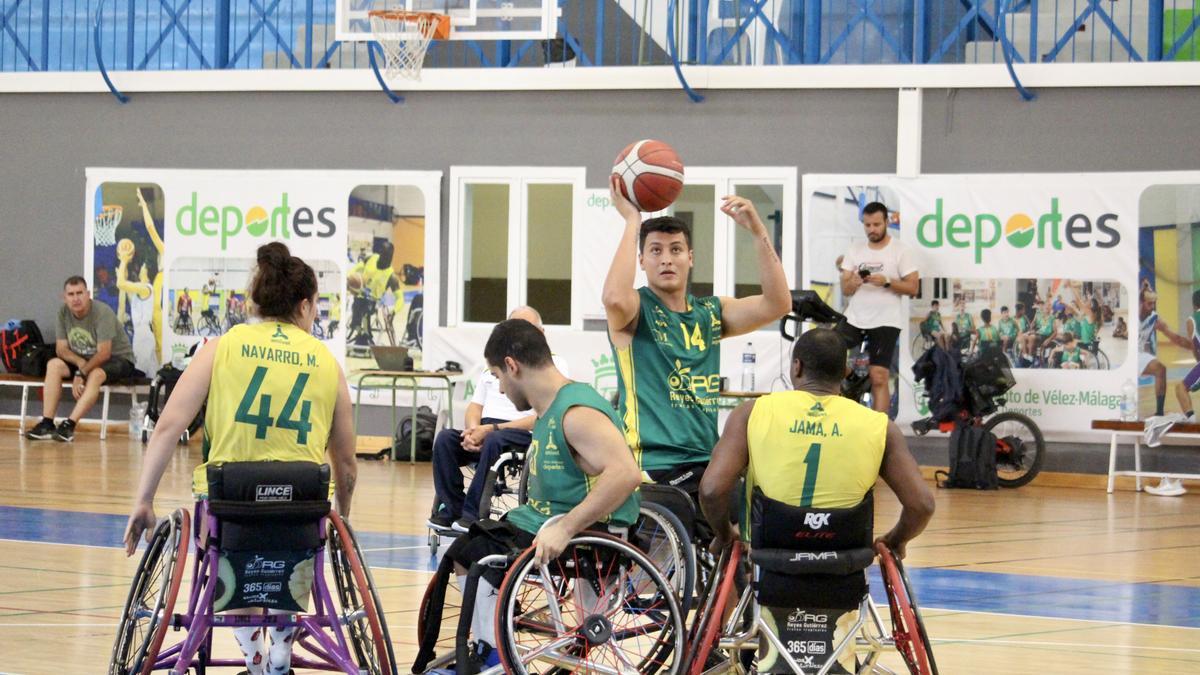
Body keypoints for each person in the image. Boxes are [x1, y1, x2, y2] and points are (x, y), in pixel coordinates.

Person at [122, 242, 358, 675]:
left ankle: (254, 654)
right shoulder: (328, 363)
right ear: (305, 305)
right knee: (295, 542)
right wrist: (341, 516)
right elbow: (345, 464)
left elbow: (168, 426)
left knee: (234, 547)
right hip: (300, 507)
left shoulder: (222, 346)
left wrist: (143, 499)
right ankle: (283, 642)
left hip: (231, 505)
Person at [699, 328, 934, 672]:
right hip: (844, 560)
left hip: (771, 555)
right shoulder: (878, 425)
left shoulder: (753, 413)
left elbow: (711, 490)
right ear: (844, 372)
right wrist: (894, 541)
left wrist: (724, 533)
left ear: (796, 367)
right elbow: (922, 505)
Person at [438, 318, 642, 669]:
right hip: (548, 519)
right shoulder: (550, 407)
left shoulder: (576, 412)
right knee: (468, 546)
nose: (500, 390)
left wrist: (564, 528)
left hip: (585, 532)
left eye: (498, 377)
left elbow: (626, 474)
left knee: (472, 553)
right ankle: (490, 644)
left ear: (512, 366)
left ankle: (492, 652)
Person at [602, 178, 791, 508]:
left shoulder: (710, 313)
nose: (666, 259)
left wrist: (758, 231)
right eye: (655, 251)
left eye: (675, 250)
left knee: (765, 507)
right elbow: (614, 298)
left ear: (690, 258)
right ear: (642, 261)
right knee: (723, 509)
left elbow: (778, 304)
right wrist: (633, 221)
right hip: (653, 465)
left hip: (707, 459)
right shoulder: (635, 311)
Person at [427, 306, 571, 532]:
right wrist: (474, 430)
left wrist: (493, 429)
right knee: (445, 439)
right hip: (488, 428)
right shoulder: (494, 366)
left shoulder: (551, 366)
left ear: (541, 333)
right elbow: (475, 406)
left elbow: (543, 416)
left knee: (495, 440)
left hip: (520, 432)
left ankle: (472, 514)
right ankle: (452, 509)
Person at [26, 276, 136, 442]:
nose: (76, 298)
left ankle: (69, 425)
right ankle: (47, 423)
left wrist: (82, 372)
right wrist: (80, 364)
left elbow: (104, 353)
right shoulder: (63, 313)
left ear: (88, 294)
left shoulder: (102, 312)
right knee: (53, 364)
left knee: (96, 374)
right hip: (84, 360)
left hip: (117, 359)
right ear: (64, 297)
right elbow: (61, 349)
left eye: (80, 293)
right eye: (71, 294)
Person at [839, 202, 919, 413]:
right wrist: (854, 281)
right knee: (828, 353)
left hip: (886, 320)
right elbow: (845, 289)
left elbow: (912, 287)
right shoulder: (855, 249)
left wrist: (887, 281)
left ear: (886, 222)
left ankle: (879, 430)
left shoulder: (900, 250)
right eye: (867, 225)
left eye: (876, 224)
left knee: (879, 376)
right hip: (855, 317)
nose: (871, 230)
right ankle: (853, 379)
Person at [1137, 286, 1191, 418]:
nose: (1153, 306)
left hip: (1138, 354)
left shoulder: (1154, 318)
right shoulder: (1133, 317)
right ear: (1141, 303)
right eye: (1149, 303)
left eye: (1154, 303)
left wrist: (1195, 346)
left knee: (1160, 369)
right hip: (1127, 356)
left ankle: (1159, 413)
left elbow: (1176, 338)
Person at [116, 239, 159, 376]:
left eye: (143, 266)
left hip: (143, 335)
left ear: (146, 271)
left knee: (138, 373)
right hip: (143, 334)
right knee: (153, 376)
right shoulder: (140, 291)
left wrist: (123, 260)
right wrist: (123, 270)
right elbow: (124, 293)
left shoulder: (146, 288)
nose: (140, 267)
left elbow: (121, 283)